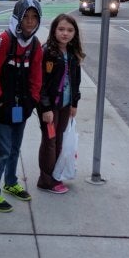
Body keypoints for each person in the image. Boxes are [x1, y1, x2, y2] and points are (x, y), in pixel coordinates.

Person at [0, 0, 43, 212]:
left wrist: (32, 101)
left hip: (21, 108)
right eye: (26, 16)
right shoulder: (4, 40)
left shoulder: (35, 45)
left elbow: (37, 76)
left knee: (15, 148)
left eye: (34, 17)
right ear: (18, 17)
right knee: (2, 150)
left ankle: (10, 182)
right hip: (2, 107)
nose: (30, 21)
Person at [37, 14, 84, 194]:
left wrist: (74, 103)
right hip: (50, 107)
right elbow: (41, 82)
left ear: (75, 33)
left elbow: (75, 81)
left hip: (65, 105)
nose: (65, 33)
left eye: (70, 30)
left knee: (60, 141)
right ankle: (46, 180)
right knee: (50, 142)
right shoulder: (47, 51)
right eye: (61, 29)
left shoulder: (72, 54)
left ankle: (56, 175)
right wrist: (46, 107)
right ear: (54, 30)